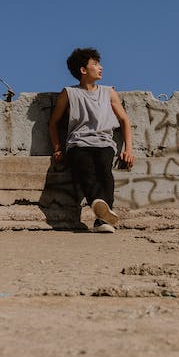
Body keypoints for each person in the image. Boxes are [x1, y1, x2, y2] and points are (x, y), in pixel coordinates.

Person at [48, 47, 135, 233]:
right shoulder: (69, 93)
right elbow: (53, 122)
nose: (101, 67)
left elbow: (124, 120)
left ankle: (102, 220)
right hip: (78, 143)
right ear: (83, 70)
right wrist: (57, 148)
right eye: (95, 64)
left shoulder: (108, 92)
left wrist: (129, 149)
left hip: (104, 142)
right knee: (86, 171)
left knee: (105, 172)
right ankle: (105, 219)